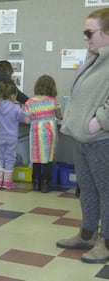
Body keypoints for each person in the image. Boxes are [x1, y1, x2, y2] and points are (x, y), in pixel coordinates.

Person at [56, 7, 109, 264]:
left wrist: (97, 123)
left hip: (102, 140)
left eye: (90, 32)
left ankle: (106, 242)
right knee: (87, 189)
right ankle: (87, 234)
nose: (85, 37)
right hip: (84, 140)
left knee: (106, 191)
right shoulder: (95, 58)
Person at [24, 75, 62, 193]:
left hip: (35, 131)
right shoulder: (53, 101)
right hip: (49, 131)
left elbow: (26, 121)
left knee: (36, 157)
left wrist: (36, 119)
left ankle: (35, 182)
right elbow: (59, 116)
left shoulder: (29, 102)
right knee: (48, 157)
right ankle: (46, 183)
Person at [0, 82, 26, 189]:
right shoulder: (16, 108)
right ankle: (7, 182)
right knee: (10, 158)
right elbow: (24, 119)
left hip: (0, 137)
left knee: (0, 158)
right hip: (12, 138)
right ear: (13, 95)